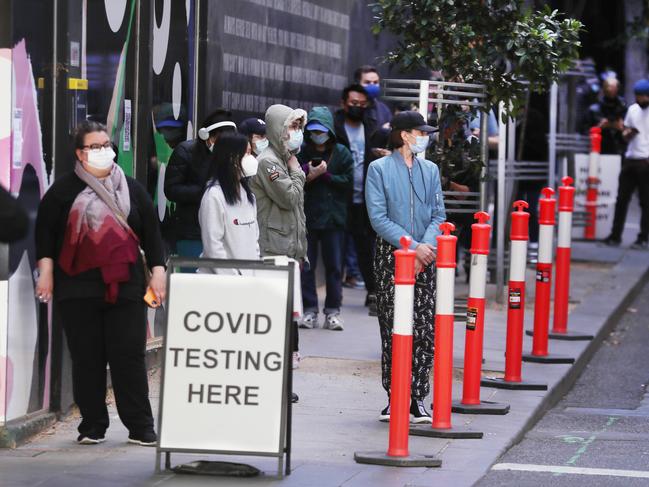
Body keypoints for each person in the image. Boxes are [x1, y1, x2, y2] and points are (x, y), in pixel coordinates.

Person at [35, 121, 166, 446]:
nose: (104, 151)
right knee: (87, 357)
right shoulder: (63, 192)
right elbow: (46, 236)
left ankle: (140, 426)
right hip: (78, 288)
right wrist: (46, 273)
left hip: (126, 285)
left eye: (106, 144)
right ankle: (93, 425)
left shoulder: (131, 188)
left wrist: (159, 272)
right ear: (80, 153)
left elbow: (151, 233)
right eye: (95, 146)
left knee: (129, 356)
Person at [365, 111, 446, 423]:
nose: (424, 137)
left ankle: (418, 398)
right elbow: (378, 217)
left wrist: (424, 248)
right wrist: (411, 247)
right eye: (418, 132)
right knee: (394, 327)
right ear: (402, 135)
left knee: (425, 329)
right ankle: (394, 395)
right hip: (392, 255)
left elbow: (439, 214)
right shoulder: (379, 169)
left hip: (426, 255)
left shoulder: (431, 169)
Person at [250, 104, 307, 403]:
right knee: (275, 322)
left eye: (299, 127)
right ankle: (273, 382)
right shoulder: (269, 163)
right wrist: (299, 173)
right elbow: (290, 197)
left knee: (288, 322)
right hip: (273, 249)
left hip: (287, 250)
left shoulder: (284, 161)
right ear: (277, 129)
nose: (295, 134)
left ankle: (283, 382)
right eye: (291, 127)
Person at [298, 107, 353, 331]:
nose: (317, 135)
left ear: (329, 131)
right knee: (307, 266)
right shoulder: (301, 151)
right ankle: (310, 310)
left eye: (321, 130)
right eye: (313, 130)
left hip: (334, 218)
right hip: (308, 217)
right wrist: (308, 172)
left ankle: (333, 312)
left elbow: (349, 181)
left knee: (333, 267)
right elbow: (293, 177)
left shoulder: (341, 153)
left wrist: (327, 175)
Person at [164, 108, 236, 258]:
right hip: (192, 233)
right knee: (194, 279)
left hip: (225, 232)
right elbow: (171, 189)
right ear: (207, 136)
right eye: (218, 140)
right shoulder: (185, 151)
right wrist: (207, 191)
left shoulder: (230, 156)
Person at [334, 84, 379, 315]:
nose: (357, 108)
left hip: (366, 198)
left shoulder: (371, 127)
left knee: (366, 248)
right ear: (344, 103)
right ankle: (334, 297)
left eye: (362, 105)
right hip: (340, 197)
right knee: (337, 249)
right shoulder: (334, 127)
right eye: (353, 104)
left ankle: (373, 291)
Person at [199, 133, 260, 265]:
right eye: (247, 153)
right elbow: (213, 246)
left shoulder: (249, 196)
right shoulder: (214, 196)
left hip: (248, 278)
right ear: (231, 157)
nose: (251, 158)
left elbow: (254, 241)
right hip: (224, 281)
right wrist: (233, 277)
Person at [604, 79, 649, 250]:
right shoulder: (632, 109)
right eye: (638, 96)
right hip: (631, 158)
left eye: (644, 97)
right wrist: (627, 132)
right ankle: (615, 235)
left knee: (645, 202)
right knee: (621, 199)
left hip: (645, 160)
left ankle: (643, 237)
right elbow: (625, 135)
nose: (641, 99)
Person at [583, 77, 627, 155]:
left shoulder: (623, 108)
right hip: (599, 150)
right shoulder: (594, 110)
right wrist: (598, 128)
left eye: (615, 89)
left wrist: (622, 128)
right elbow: (584, 132)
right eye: (609, 89)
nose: (612, 92)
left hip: (619, 149)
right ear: (604, 90)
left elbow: (630, 131)